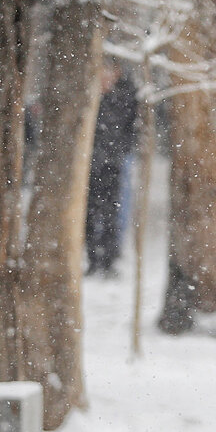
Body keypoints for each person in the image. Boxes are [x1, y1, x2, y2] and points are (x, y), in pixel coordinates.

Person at [86, 62, 138, 276]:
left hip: (113, 163)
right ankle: (93, 259)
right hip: (91, 162)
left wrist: (120, 151)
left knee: (111, 211)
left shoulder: (125, 95)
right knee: (90, 213)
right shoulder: (91, 95)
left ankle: (109, 259)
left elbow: (132, 127)